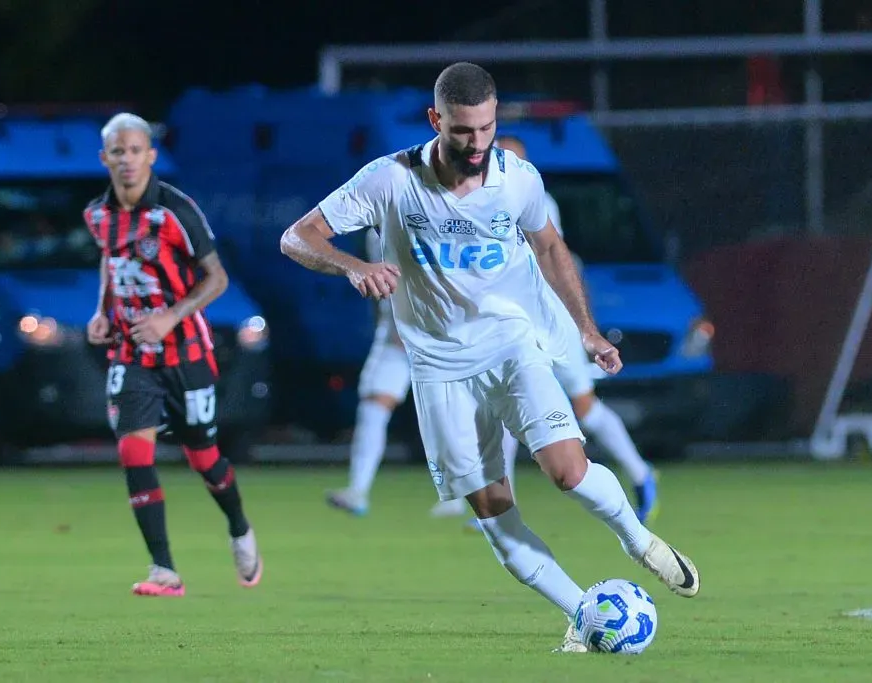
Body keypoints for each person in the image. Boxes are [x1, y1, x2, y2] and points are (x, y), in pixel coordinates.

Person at [281, 63, 699, 652]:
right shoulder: (390, 180)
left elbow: (551, 246)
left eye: (485, 129)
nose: (476, 144)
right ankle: (582, 612)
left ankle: (640, 541)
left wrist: (587, 330)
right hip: (438, 372)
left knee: (568, 473)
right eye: (462, 132)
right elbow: (297, 236)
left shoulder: (518, 180)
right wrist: (355, 267)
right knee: (495, 516)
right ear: (436, 121)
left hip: (511, 347)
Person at [437, 135, 660, 526]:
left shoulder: (532, 198)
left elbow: (554, 257)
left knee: (585, 409)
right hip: (515, 324)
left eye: (511, 158)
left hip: (552, 321)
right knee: (504, 406)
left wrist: (583, 325)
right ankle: (503, 501)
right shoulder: (479, 203)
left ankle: (641, 473)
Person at [85, 113, 262, 597]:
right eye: (117, 152)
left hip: (184, 351)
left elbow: (217, 278)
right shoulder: (98, 215)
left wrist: (169, 317)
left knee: (204, 457)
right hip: (131, 351)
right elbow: (110, 260)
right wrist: (102, 311)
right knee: (133, 451)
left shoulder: (175, 211)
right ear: (105, 158)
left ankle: (240, 528)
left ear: (150, 156)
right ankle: (164, 569)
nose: (127, 159)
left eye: (135, 150)